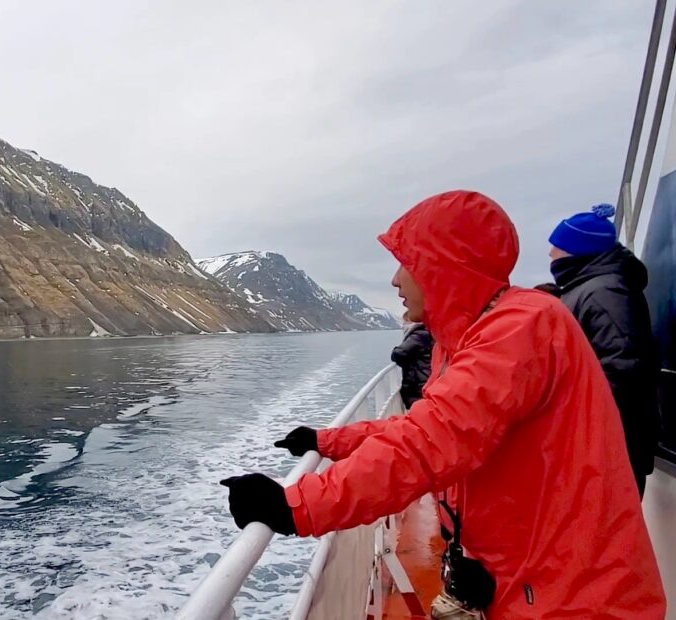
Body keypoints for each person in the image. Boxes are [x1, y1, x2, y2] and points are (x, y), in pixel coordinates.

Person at [221, 191, 666, 618]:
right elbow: (422, 425)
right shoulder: (472, 338)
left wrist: (296, 505)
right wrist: (326, 440)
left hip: (575, 599)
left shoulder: (520, 328)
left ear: (442, 266)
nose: (395, 280)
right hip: (532, 580)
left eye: (405, 263)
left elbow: (429, 441)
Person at [548, 204, 662, 496]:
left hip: (609, 446)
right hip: (595, 443)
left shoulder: (605, 293)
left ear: (577, 249)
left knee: (605, 532)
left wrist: (581, 428)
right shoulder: (587, 289)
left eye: (557, 247)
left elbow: (623, 369)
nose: (551, 254)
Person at [391, 319, 433, 408]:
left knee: (420, 413)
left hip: (418, 387)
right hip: (426, 383)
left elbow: (399, 353)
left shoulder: (419, 334)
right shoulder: (429, 332)